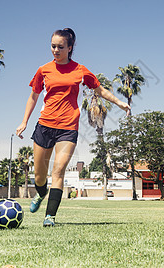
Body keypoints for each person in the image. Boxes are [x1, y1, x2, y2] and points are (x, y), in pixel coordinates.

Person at [16, 28, 130, 227]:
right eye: (53, 46)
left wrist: (120, 103)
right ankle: (41, 193)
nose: (56, 50)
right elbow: (33, 96)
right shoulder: (43, 70)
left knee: (58, 171)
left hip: (68, 127)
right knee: (40, 174)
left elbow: (99, 89)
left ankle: (50, 217)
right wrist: (24, 121)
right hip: (45, 125)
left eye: (60, 47)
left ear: (70, 48)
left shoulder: (80, 70)